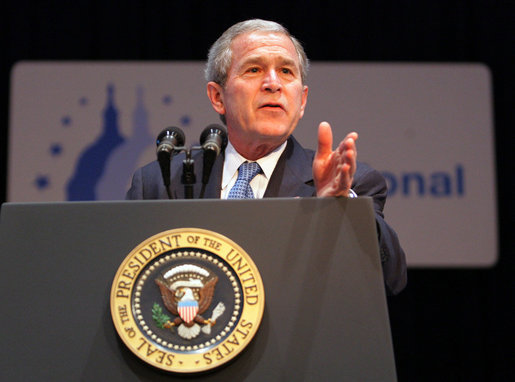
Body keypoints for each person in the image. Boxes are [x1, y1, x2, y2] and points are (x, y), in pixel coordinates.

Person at [126, 19, 407, 295]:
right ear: (217, 97)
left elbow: (391, 280)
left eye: (286, 71)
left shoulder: (354, 184)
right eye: (254, 69)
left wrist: (341, 210)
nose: (273, 83)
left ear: (302, 100)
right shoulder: (160, 182)